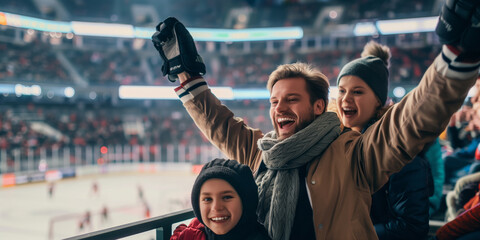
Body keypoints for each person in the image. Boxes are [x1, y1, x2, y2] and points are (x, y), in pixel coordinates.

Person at [152, 2, 480, 238]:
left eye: (292, 100)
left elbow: (408, 122)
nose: (279, 108)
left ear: (319, 106)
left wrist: (453, 59)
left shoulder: (353, 154)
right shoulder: (263, 152)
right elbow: (220, 125)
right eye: (275, 101)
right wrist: (187, 77)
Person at [335, 40, 433, 239]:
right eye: (342, 90)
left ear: (379, 100)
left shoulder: (399, 150)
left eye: (357, 91)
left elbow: (410, 228)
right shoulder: (337, 143)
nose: (345, 99)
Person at [170, 158, 270, 240]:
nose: (216, 207)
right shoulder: (188, 236)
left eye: (227, 197)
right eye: (207, 199)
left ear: (247, 202)